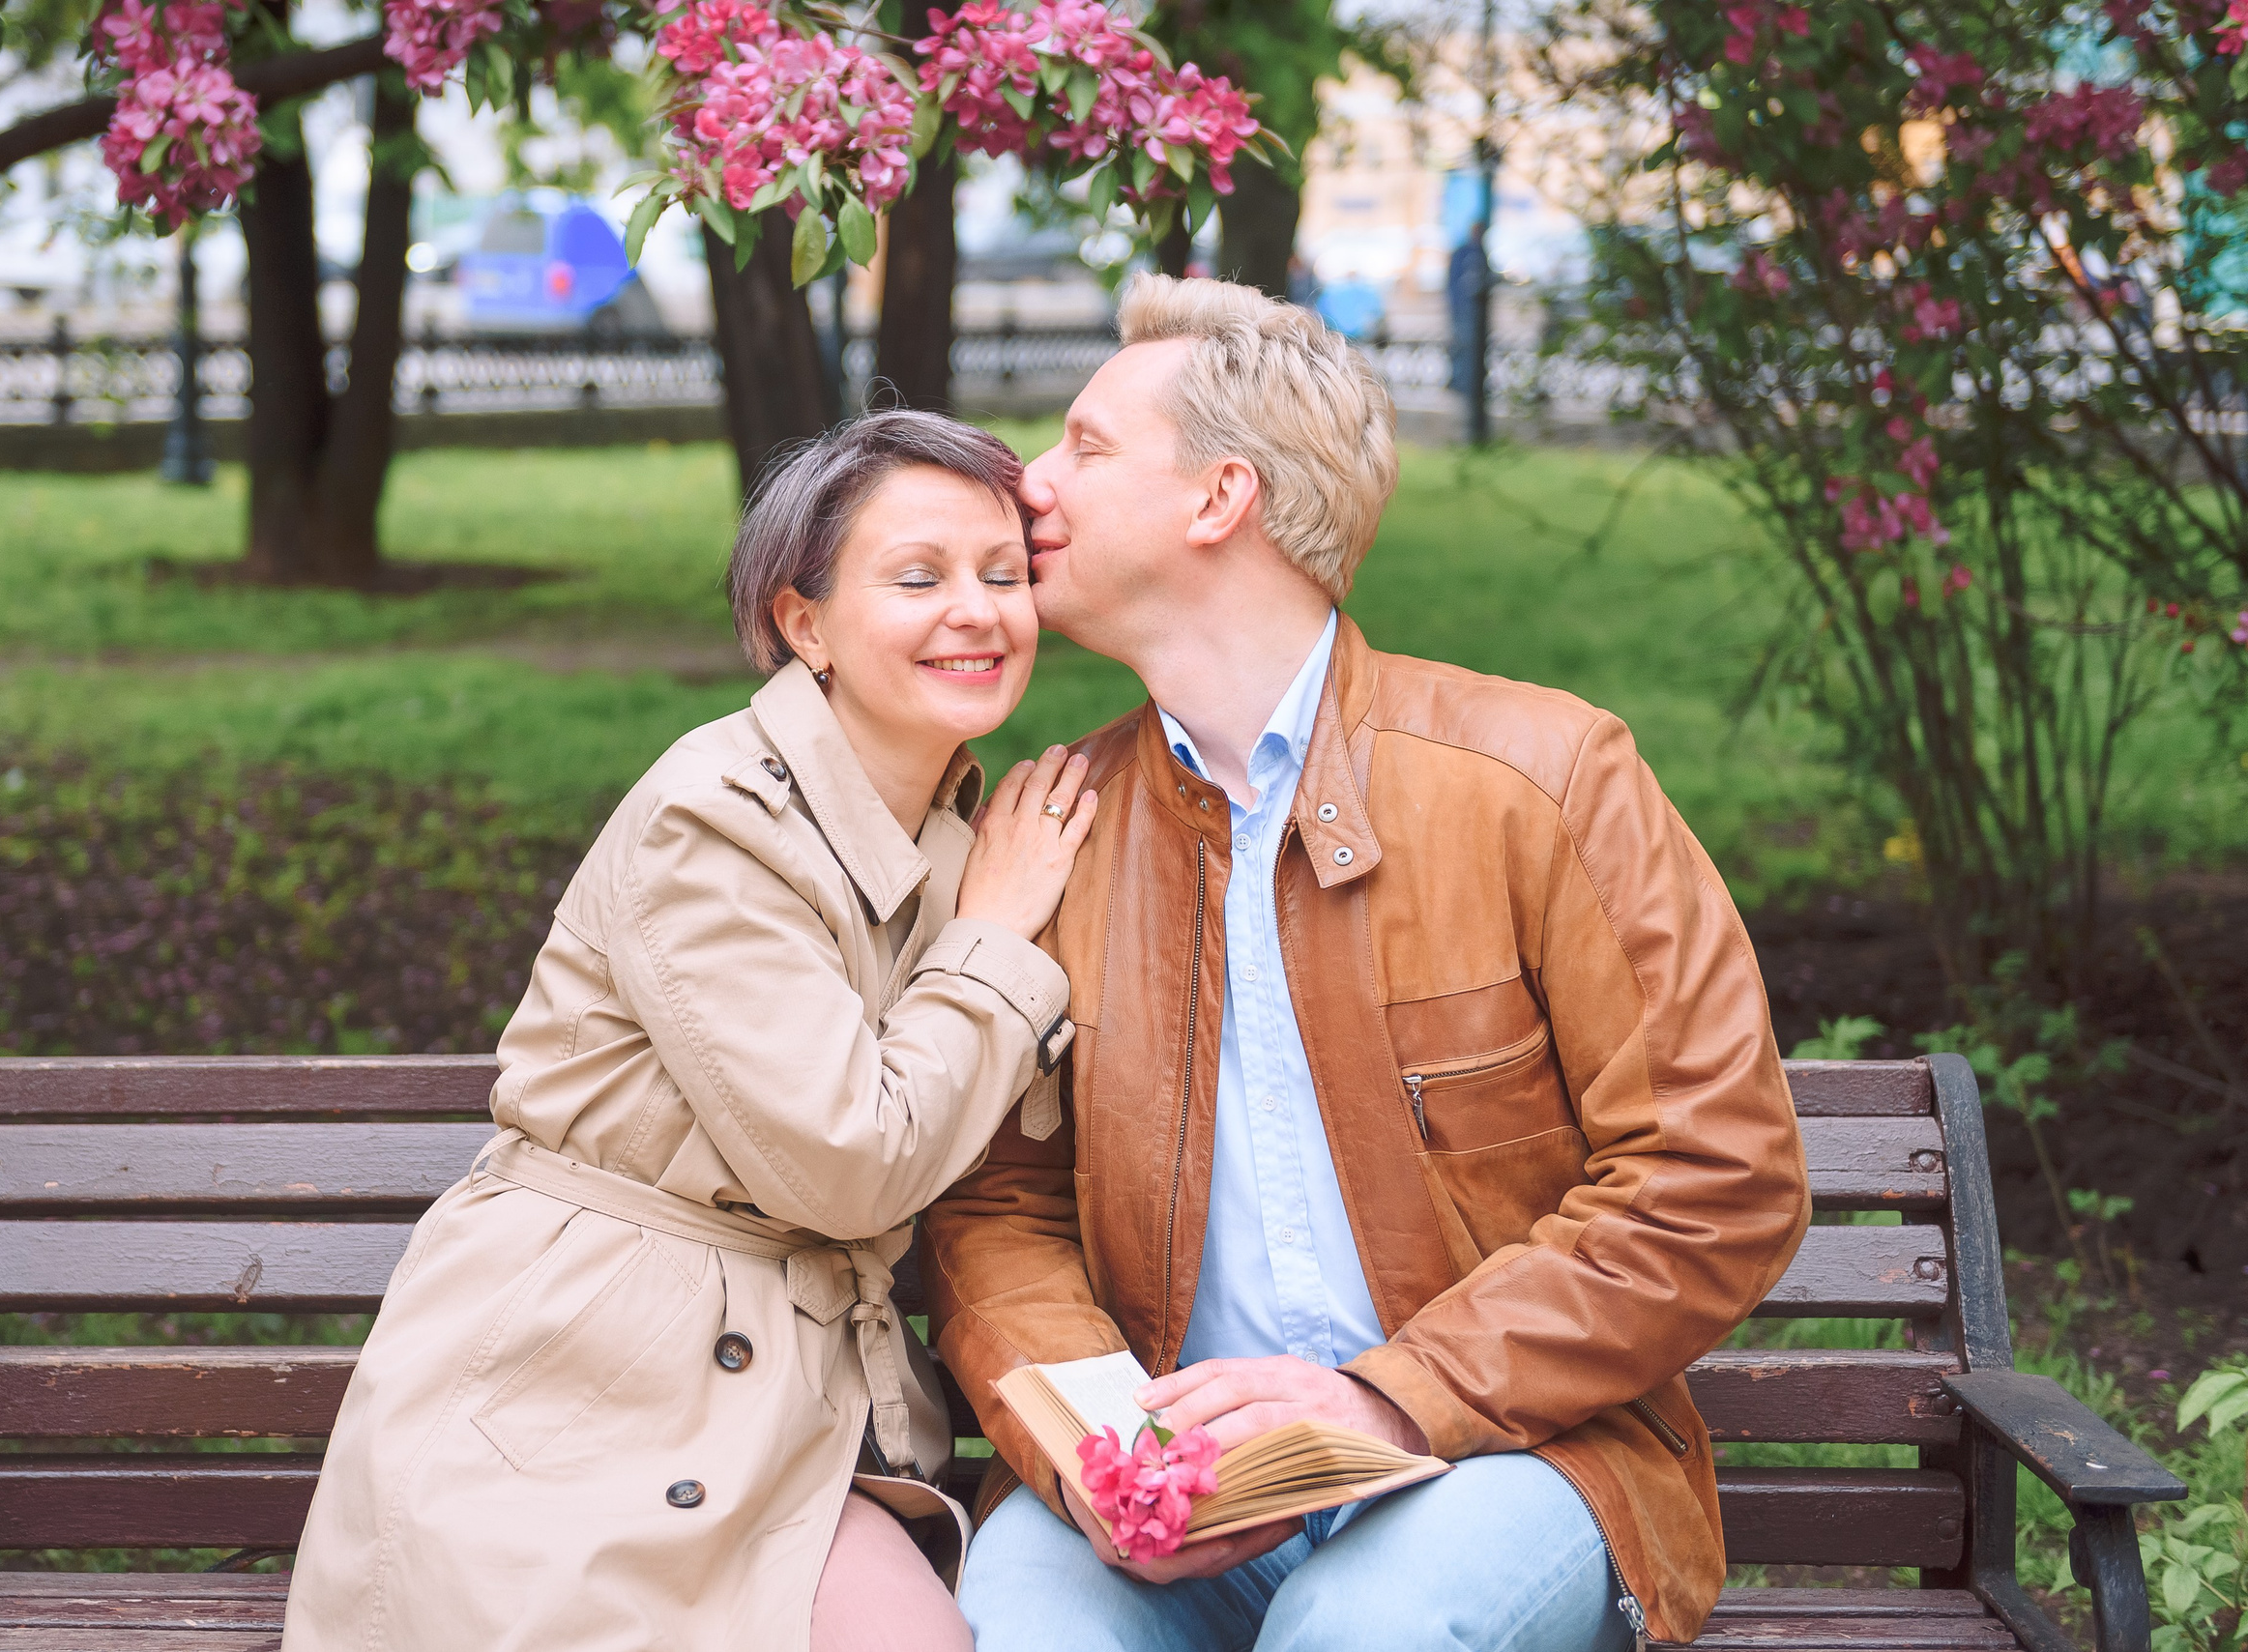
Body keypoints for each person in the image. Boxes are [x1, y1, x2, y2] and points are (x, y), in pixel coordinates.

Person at [920, 277, 1812, 1652]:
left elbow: (1714, 1178)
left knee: (1359, 1627)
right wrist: (1102, 1445)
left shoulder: (1544, 777)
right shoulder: (1054, 834)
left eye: (1086, 447)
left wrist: (1390, 1397)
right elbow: (999, 1210)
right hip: (1178, 1481)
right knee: (1020, 1625)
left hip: (1514, 1456)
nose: (1028, 482)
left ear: (1223, 497)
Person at [283, 410, 1098, 1652]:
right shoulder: (713, 822)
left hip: (782, 1400)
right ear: (803, 621)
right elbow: (848, 1159)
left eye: (1002, 573)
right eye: (919, 576)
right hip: (580, 1388)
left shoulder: (951, 823)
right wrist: (993, 935)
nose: (978, 611)